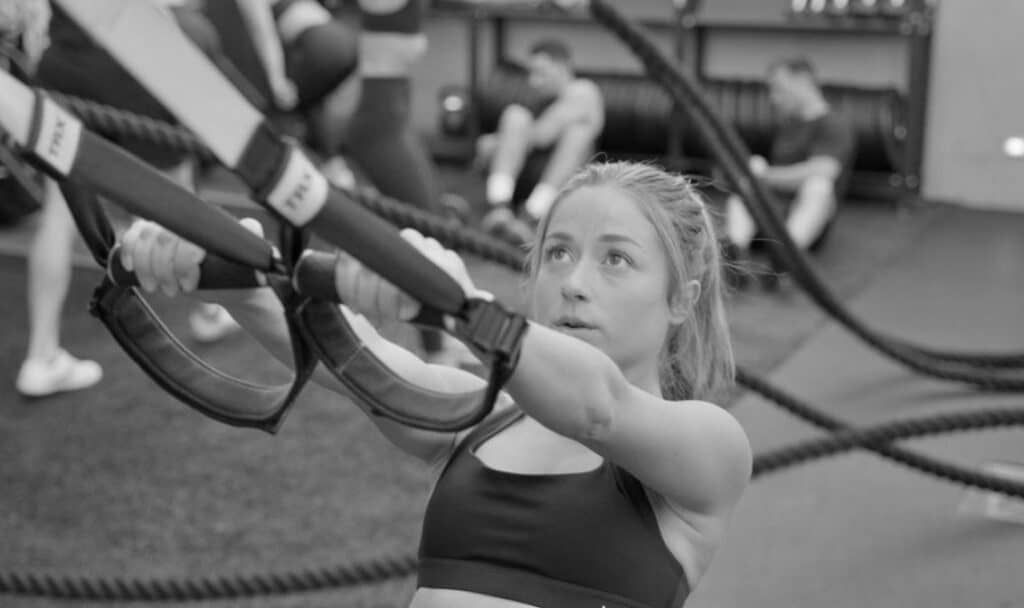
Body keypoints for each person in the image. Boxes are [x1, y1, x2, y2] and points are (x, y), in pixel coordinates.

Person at [119, 160, 752, 607]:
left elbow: (598, 408)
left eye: (616, 258)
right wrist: (231, 275)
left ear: (679, 300)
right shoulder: (480, 419)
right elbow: (353, 355)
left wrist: (461, 306)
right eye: (557, 253)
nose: (575, 281)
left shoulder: (709, 446)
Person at [3, 0, 104, 397]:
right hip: (90, 60)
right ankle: (212, 308)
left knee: (58, 211)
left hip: (52, 66)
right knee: (57, 212)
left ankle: (43, 356)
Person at [723, 56, 856, 289]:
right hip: (772, 215)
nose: (774, 98)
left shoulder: (834, 126)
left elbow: (825, 170)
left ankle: (787, 255)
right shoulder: (789, 124)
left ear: (803, 81)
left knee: (818, 184)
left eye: (779, 89)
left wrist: (764, 175)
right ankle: (737, 251)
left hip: (806, 223)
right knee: (751, 171)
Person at [478, 38, 605, 246]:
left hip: (569, 186)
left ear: (563, 67)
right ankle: (499, 207)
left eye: (541, 73)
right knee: (515, 115)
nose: (533, 81)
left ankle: (532, 217)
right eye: (532, 73)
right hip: (524, 177)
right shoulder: (540, 100)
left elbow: (543, 135)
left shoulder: (583, 91)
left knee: (577, 134)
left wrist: (498, 141)